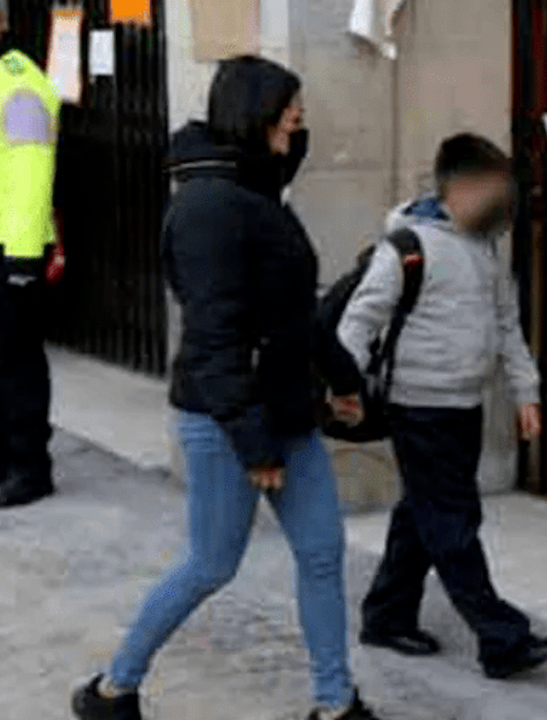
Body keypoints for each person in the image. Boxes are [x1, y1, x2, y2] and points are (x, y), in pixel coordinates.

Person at [72, 56, 380, 720]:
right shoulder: (209, 208)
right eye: (291, 111)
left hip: (288, 412)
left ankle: (335, 704)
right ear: (256, 112)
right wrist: (255, 444)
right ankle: (113, 690)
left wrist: (344, 380)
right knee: (211, 565)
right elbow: (214, 343)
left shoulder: (257, 192)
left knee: (322, 556)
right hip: (225, 422)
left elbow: (293, 311)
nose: (300, 122)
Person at [339, 133, 547, 680]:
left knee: (423, 513)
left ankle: (386, 616)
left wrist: (526, 391)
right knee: (453, 522)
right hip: (417, 406)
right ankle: (502, 638)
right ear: (458, 190)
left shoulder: (487, 247)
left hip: (466, 403)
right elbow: (358, 321)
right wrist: (343, 387)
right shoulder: (407, 246)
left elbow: (507, 324)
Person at [0, 32, 61, 508]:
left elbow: (30, 174)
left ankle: (28, 467)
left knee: (16, 362)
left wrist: (19, 261)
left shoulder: (18, 86)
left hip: (11, 248)